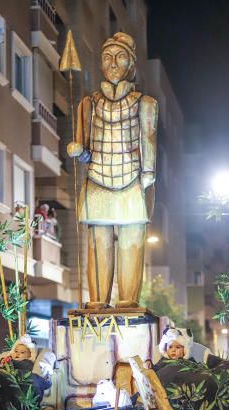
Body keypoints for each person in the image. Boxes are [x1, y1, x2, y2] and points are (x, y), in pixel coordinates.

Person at [68, 32, 158, 308]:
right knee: (98, 244)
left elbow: (149, 145)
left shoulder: (146, 104)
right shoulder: (88, 105)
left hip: (132, 181)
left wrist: (146, 179)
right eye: (107, 58)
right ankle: (97, 300)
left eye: (120, 57)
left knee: (131, 242)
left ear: (131, 64)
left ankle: (128, 300)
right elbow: (85, 152)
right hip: (97, 180)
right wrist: (78, 151)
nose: (113, 64)